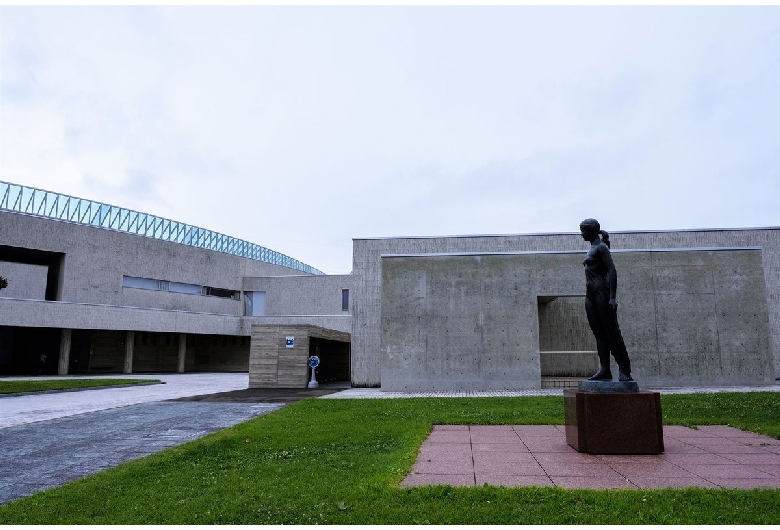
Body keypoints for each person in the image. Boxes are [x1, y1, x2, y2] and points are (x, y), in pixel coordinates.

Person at [580, 218, 633, 381]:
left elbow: (612, 271)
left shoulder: (601, 248)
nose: (581, 234)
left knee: (612, 332)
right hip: (590, 296)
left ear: (592, 230)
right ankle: (605, 370)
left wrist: (612, 297)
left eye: (584, 230)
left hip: (602, 293)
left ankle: (624, 369)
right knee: (599, 333)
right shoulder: (592, 249)